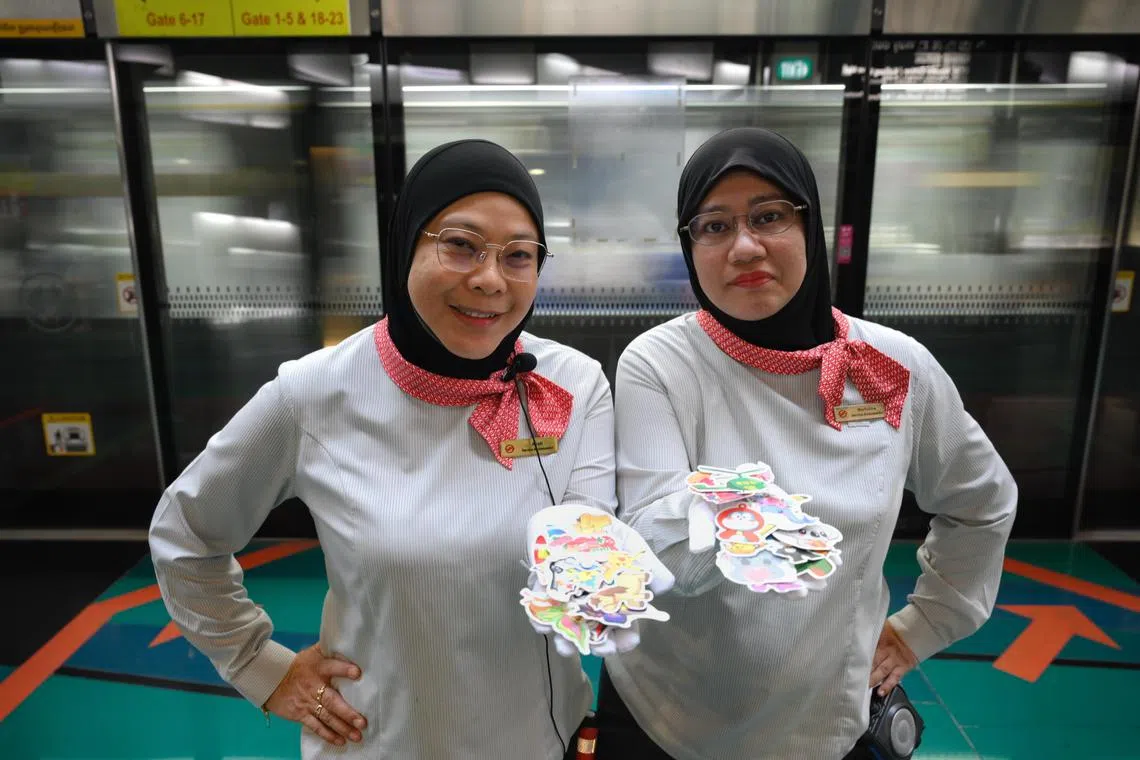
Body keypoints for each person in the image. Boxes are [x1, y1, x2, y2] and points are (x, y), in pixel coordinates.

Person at [149, 139, 620, 760]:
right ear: (405, 248)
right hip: (380, 740)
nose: (489, 279)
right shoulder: (314, 393)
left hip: (539, 741)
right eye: (461, 245)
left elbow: (591, 551)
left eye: (518, 256)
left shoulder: (574, 385)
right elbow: (184, 534)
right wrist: (261, 667)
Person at [595, 127, 1018, 760]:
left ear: (809, 225)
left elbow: (982, 500)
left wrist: (924, 625)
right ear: (689, 245)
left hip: (827, 716)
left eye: (769, 216)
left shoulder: (890, 365)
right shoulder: (661, 363)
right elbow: (660, 547)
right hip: (668, 713)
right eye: (714, 226)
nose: (744, 246)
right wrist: (753, 517)